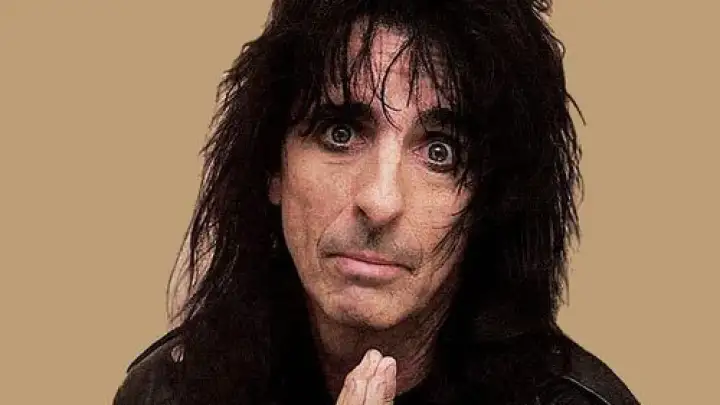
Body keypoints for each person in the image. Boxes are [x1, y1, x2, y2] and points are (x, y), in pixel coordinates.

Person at [113, 1, 640, 404]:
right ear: (273, 166)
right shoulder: (169, 392)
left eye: (440, 152)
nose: (380, 201)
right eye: (340, 133)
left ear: (489, 201)